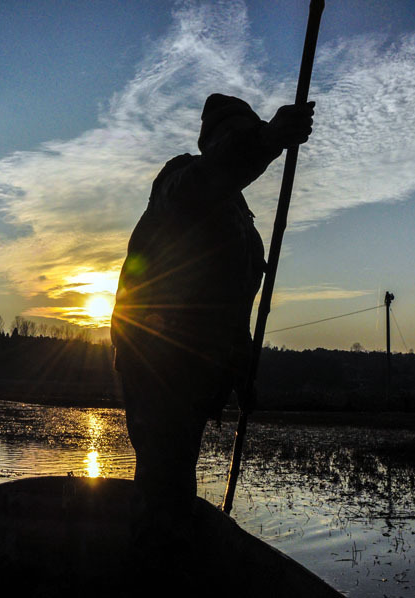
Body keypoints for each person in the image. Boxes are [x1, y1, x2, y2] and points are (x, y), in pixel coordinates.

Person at [110, 93, 314, 563]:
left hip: (195, 372)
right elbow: (213, 176)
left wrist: (239, 371)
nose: (242, 146)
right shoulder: (181, 181)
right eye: (235, 139)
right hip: (156, 364)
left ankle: (169, 564)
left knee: (175, 482)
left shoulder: (238, 215)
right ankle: (152, 573)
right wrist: (266, 140)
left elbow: (231, 307)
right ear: (215, 143)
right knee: (164, 486)